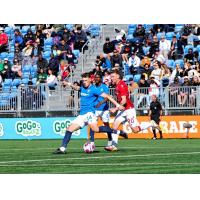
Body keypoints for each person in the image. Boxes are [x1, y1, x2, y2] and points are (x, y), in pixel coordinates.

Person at [53, 72, 124, 154]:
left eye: (86, 80)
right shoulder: (83, 87)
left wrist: (118, 105)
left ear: (90, 80)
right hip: (82, 115)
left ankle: (116, 131)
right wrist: (68, 83)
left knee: (95, 129)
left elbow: (107, 96)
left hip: (90, 113)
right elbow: (77, 88)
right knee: (69, 129)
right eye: (83, 80)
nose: (84, 82)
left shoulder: (94, 89)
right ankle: (62, 149)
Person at [104, 69, 161, 151]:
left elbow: (124, 100)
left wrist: (115, 108)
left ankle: (150, 123)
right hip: (123, 110)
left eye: (113, 76)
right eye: (111, 77)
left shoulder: (122, 85)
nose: (111, 78)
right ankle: (114, 146)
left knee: (135, 130)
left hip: (129, 110)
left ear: (118, 76)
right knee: (115, 126)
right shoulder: (117, 85)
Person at [90, 72, 128, 148]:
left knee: (106, 125)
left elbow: (107, 97)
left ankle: (110, 140)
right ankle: (92, 142)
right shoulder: (92, 87)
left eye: (98, 77)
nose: (96, 79)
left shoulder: (104, 87)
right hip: (95, 109)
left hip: (104, 109)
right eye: (95, 77)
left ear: (100, 79)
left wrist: (100, 103)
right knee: (92, 124)